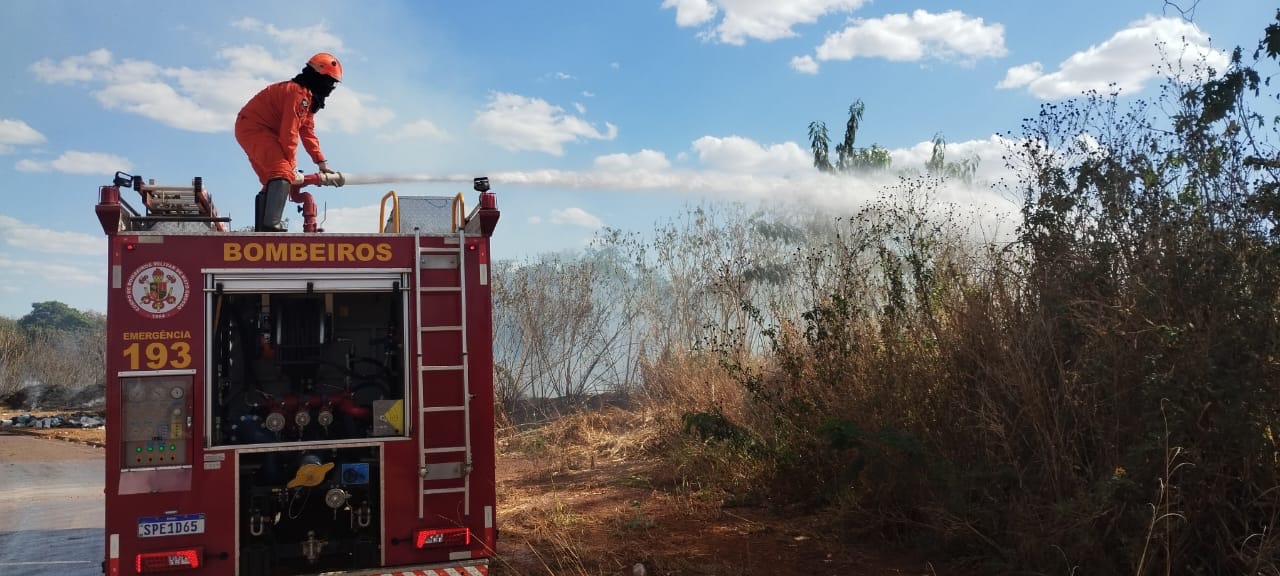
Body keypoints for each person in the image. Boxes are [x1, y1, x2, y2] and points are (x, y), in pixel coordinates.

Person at [235, 52, 342, 232]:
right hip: (255, 128)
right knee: (282, 172)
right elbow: (289, 134)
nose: (331, 87)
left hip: (255, 128)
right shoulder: (297, 94)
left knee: (272, 180)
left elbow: (307, 131)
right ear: (319, 77)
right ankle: (271, 226)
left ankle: (262, 230)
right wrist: (292, 168)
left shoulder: (307, 99)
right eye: (330, 82)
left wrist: (321, 162)